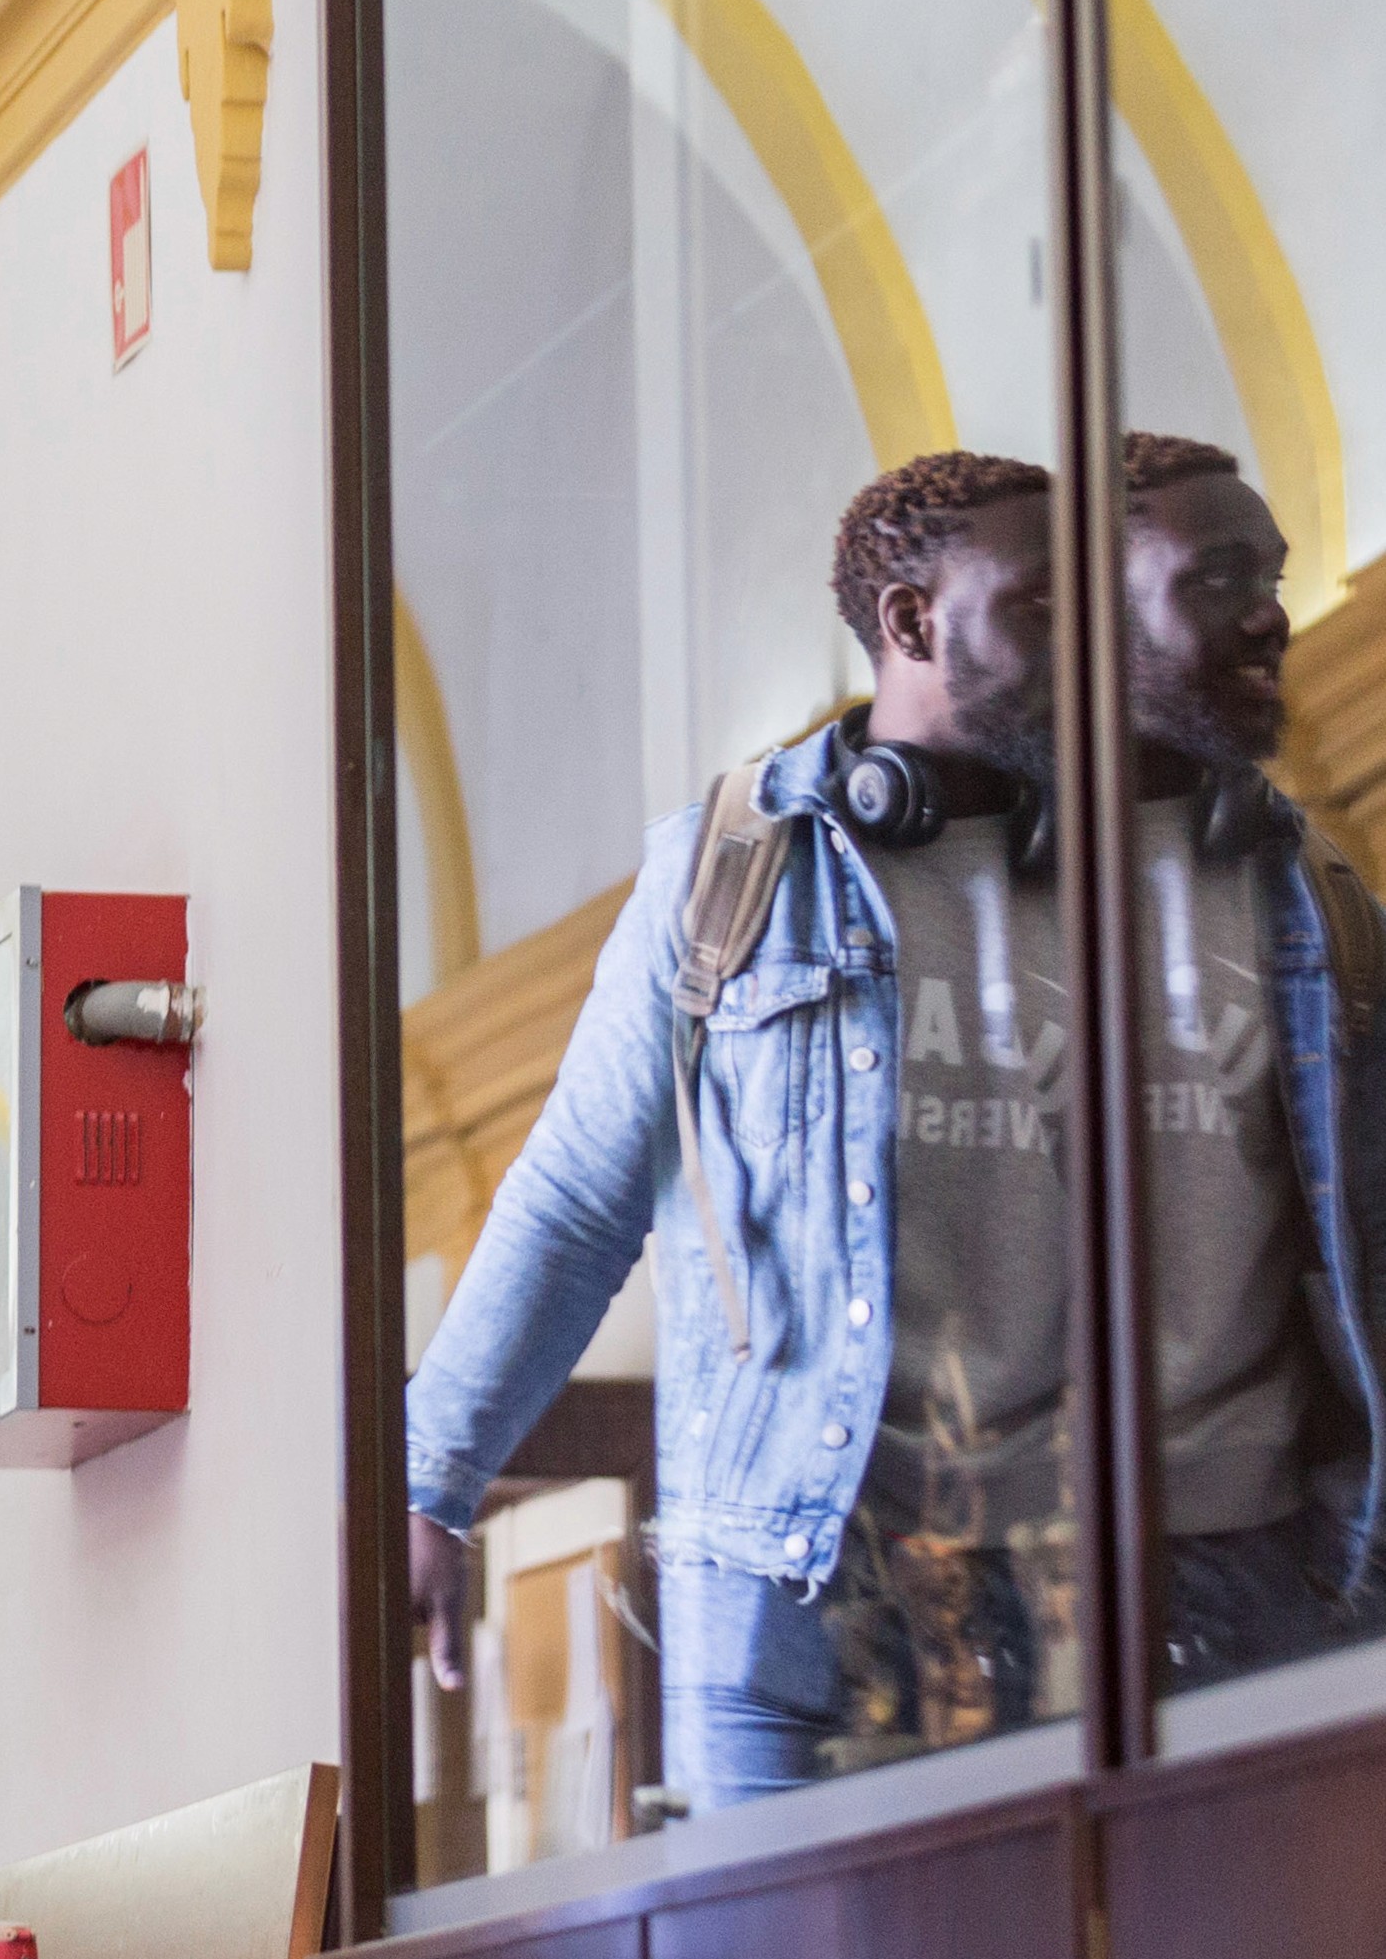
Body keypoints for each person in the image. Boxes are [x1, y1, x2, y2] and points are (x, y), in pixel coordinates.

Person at [408, 439, 1382, 1794]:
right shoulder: (733, 880)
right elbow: (577, 1200)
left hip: (1205, 1590)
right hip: (817, 1597)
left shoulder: (1272, 876)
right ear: (912, 624)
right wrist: (428, 1485)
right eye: (1039, 609)